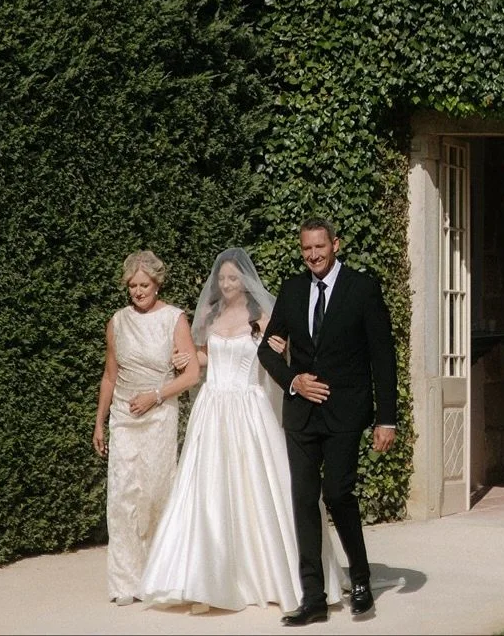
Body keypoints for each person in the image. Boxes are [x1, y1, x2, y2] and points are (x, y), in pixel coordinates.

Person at [139, 249, 344, 614]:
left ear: (245, 281)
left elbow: (276, 355)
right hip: (212, 407)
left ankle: (268, 575)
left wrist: (282, 350)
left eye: (233, 278)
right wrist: (187, 359)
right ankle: (206, 575)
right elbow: (206, 356)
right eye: (222, 279)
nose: (227, 284)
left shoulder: (262, 316)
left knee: (258, 487)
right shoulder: (209, 314)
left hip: (248, 406)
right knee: (208, 491)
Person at [258, 220, 398, 626]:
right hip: (301, 414)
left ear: (336, 244)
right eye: (307, 249)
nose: (314, 255)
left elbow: (382, 358)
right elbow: (267, 352)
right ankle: (313, 597)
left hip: (345, 412)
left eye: (320, 247)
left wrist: (386, 418)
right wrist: (293, 380)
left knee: (338, 493)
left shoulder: (363, 289)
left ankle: (360, 580)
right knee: (303, 501)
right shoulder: (292, 289)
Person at [94, 249, 200, 605]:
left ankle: (159, 575)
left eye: (144, 284)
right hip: (124, 418)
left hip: (159, 415)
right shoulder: (117, 321)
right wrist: (100, 421)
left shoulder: (174, 319)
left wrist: (155, 395)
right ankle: (126, 583)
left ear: (157, 283)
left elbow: (191, 374)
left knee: (155, 495)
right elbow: (110, 376)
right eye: (132, 286)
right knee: (123, 496)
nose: (138, 291)